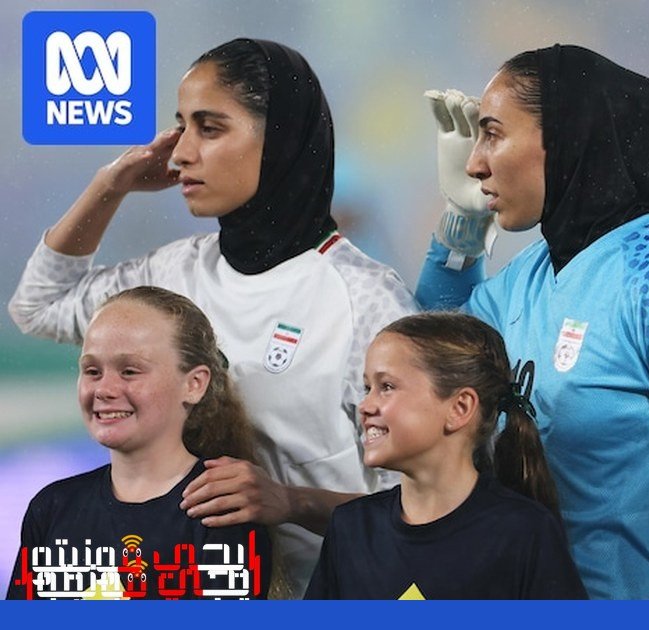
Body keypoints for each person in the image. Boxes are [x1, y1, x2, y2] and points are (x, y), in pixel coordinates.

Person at [7, 39, 418, 596]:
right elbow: (38, 305)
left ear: (278, 139)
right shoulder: (172, 274)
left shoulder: (367, 301)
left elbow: (429, 510)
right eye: (181, 128)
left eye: (210, 128)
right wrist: (111, 185)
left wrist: (293, 502)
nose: (180, 154)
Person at [417, 44, 649, 599]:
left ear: (565, 137)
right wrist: (463, 224)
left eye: (492, 134)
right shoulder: (531, 275)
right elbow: (433, 351)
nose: (474, 163)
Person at [7, 287, 271, 600]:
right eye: (92, 371)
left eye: (130, 371)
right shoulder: (52, 508)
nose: (104, 389)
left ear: (194, 384)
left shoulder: (221, 509)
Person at [305, 312, 586, 599]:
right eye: (367, 388)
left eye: (386, 387)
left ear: (459, 408)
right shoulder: (351, 528)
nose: (365, 405)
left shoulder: (524, 533)